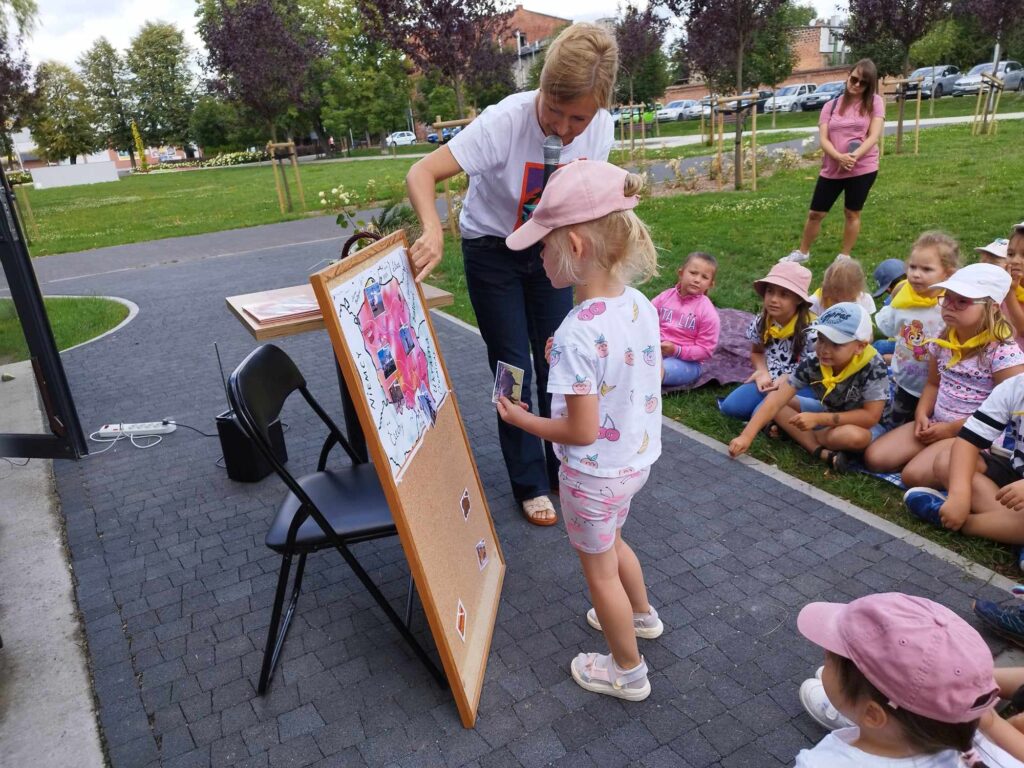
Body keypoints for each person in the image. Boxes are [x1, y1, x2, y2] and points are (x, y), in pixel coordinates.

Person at [404, 24, 618, 526]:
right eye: (555, 111)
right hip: (492, 249)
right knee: (512, 364)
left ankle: (560, 461)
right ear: (541, 89)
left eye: (578, 118)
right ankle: (528, 480)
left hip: (549, 250)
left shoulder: (601, 125)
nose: (564, 128)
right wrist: (433, 230)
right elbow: (422, 172)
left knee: (557, 357)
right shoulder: (505, 121)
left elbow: (587, 198)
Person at [496, 160, 662, 701]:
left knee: (599, 573)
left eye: (542, 246)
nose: (536, 256)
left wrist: (522, 419)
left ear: (575, 246)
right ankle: (642, 617)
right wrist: (569, 360)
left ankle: (627, 672)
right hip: (635, 463)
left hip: (592, 476)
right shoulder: (636, 304)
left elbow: (580, 430)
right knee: (615, 542)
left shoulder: (574, 333)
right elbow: (630, 367)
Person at [793, 593, 1015, 767]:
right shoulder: (982, 746)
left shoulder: (818, 763)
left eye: (830, 659)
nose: (825, 654)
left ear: (873, 714)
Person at [869, 264, 1024, 486]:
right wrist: (922, 413)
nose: (950, 306)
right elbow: (933, 384)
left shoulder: (1002, 352)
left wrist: (950, 430)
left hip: (972, 436)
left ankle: (963, 466)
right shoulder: (944, 338)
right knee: (875, 458)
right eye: (947, 297)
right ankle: (934, 457)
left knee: (911, 476)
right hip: (936, 421)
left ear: (993, 307)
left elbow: (1007, 411)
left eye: (963, 301)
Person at [728, 302, 888, 473]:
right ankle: (818, 449)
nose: (824, 349)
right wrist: (746, 436)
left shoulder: (874, 365)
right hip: (826, 412)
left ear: (860, 346)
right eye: (821, 339)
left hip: (863, 427)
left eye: (836, 344)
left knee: (852, 436)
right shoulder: (813, 361)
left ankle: (801, 437)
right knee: (777, 402)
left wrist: (818, 420)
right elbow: (776, 400)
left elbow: (870, 417)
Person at [782, 59, 885, 265]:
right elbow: (824, 138)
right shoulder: (831, 106)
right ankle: (803, 252)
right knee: (815, 213)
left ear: (870, 85)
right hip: (833, 167)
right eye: (854, 79)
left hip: (862, 168)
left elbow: (873, 136)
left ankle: (844, 255)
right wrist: (839, 157)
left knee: (851, 212)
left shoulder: (875, 102)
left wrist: (853, 158)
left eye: (862, 83)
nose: (856, 85)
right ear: (848, 75)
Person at [905, 370, 1024, 548]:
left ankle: (965, 524)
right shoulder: (1016, 386)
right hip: (1016, 476)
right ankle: (1009, 529)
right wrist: (959, 496)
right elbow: (968, 440)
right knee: (947, 460)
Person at [867, 231, 959, 434]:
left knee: (930, 428)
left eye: (927, 269)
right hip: (906, 382)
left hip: (942, 387)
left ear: (948, 274)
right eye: (913, 267)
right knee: (895, 425)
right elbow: (886, 327)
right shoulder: (902, 302)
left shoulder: (952, 304)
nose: (916, 274)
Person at [718, 262, 817, 422]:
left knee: (762, 412)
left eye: (784, 294)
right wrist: (762, 372)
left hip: (801, 384)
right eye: (770, 291)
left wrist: (787, 379)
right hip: (770, 379)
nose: (774, 300)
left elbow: (817, 368)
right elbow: (757, 352)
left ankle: (778, 422)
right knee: (731, 407)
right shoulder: (762, 320)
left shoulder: (812, 330)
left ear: (798, 299)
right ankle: (775, 422)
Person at [652, 251, 720, 388]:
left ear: (710, 284)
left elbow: (706, 350)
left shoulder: (708, 314)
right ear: (681, 273)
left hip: (686, 362)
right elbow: (645, 316)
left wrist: (676, 350)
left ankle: (642, 394)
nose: (697, 279)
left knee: (655, 371)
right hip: (654, 349)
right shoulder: (665, 297)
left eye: (704, 277)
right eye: (693, 273)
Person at [809, 257, 876, 317]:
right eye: (835, 300)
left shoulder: (865, 299)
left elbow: (867, 326)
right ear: (827, 289)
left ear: (858, 289)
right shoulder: (814, 302)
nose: (841, 303)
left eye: (852, 300)